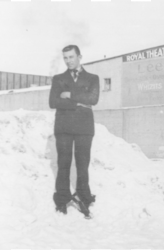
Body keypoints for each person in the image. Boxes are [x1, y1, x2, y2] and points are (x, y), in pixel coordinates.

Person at [49, 45, 100, 216]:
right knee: (63, 163)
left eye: (71, 57)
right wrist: (80, 102)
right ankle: (62, 198)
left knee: (82, 164)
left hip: (84, 127)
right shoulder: (58, 78)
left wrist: (70, 95)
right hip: (63, 127)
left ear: (79, 56)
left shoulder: (93, 78)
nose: (68, 61)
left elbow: (93, 99)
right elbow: (53, 102)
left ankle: (84, 197)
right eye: (65, 58)